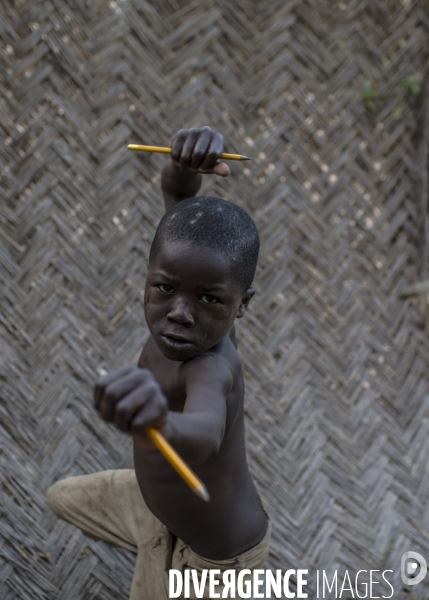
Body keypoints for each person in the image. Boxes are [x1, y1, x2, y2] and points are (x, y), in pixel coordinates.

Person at [46, 126, 271, 599]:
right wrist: (184, 165)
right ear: (149, 275)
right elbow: (178, 197)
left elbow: (205, 433)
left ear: (242, 305)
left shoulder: (210, 367)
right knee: (60, 497)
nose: (180, 312)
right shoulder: (188, 265)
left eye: (210, 299)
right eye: (165, 288)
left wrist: (157, 420)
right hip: (161, 511)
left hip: (215, 565)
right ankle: (156, 528)